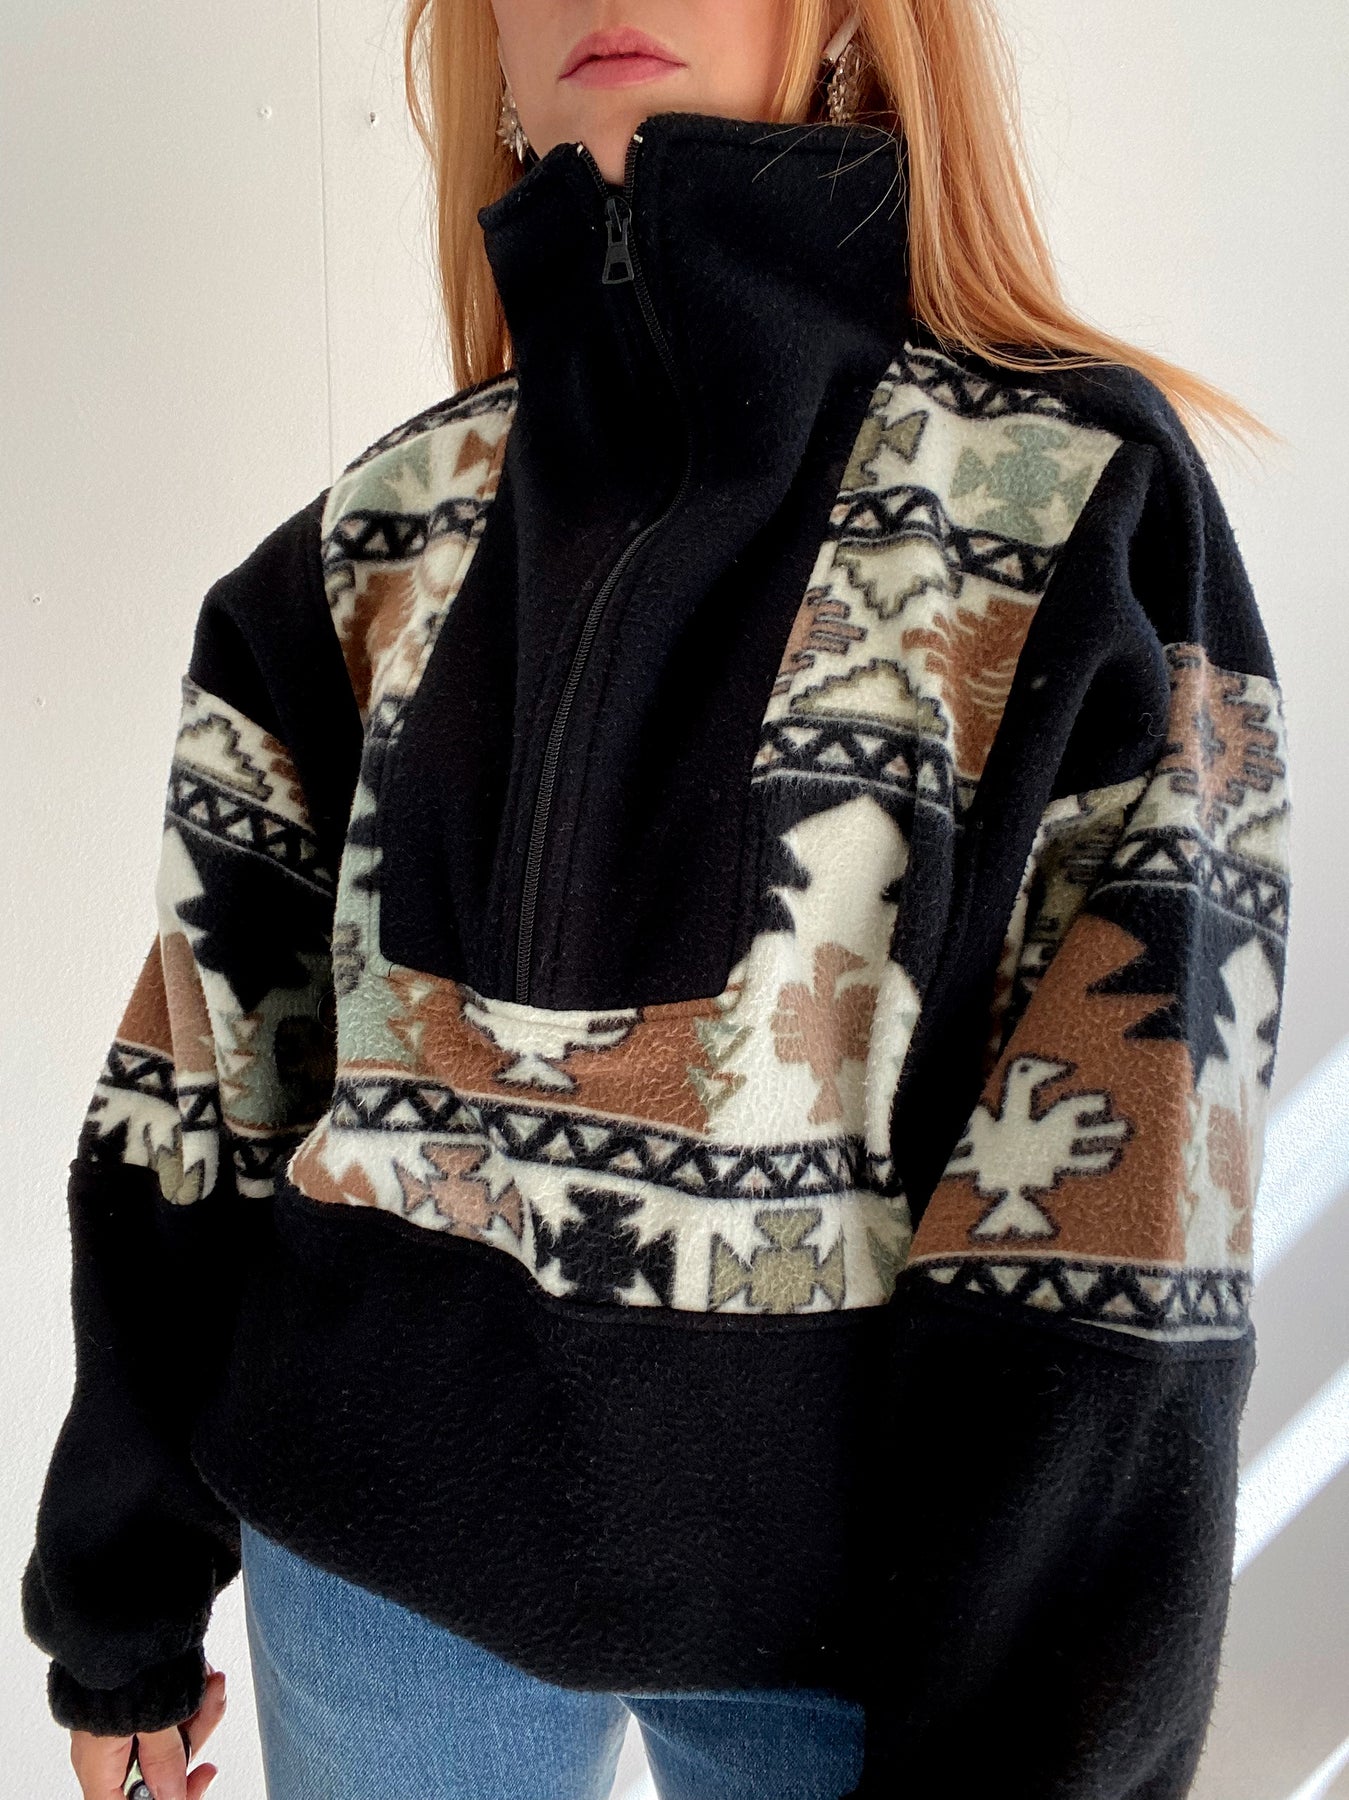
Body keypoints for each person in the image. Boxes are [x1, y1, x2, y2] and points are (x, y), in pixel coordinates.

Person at [22, 1, 1293, 1797]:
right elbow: (199, 1082)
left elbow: (1133, 1190)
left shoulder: (1071, 504)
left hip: (852, 1639)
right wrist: (121, 1596)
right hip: (366, 1578)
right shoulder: (361, 546)